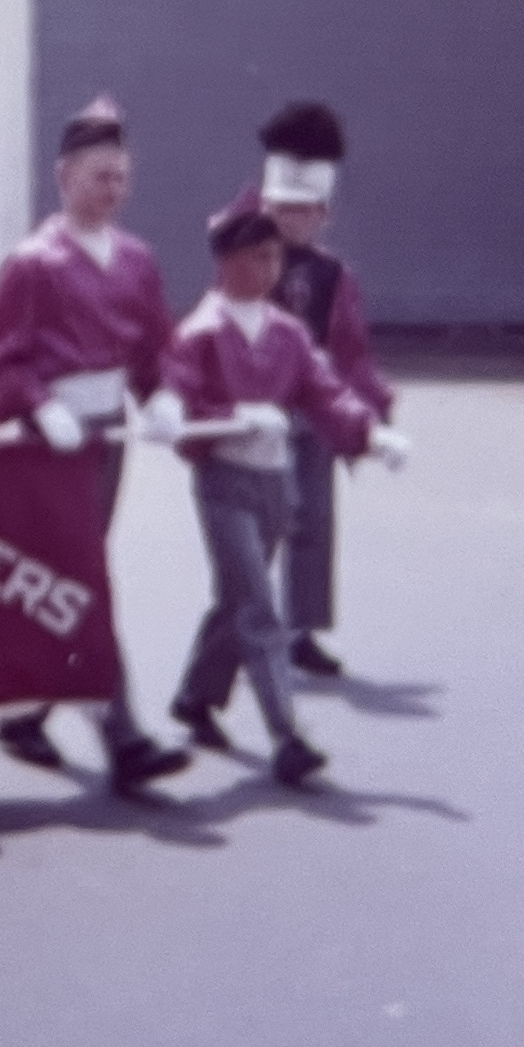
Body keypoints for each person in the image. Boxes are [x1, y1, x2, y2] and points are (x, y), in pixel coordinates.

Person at [0, 97, 193, 792]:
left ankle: (24, 714)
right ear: (64, 177)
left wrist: (163, 397)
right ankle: (125, 738)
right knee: (87, 576)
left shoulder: (137, 260)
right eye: (99, 176)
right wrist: (40, 405)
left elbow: (156, 347)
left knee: (69, 574)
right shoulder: (33, 263)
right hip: (52, 443)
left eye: (121, 177)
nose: (112, 190)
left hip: (110, 436)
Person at [160, 193, 409, 787]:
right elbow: (178, 398)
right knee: (260, 605)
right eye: (257, 257)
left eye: (274, 257)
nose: (270, 269)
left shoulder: (288, 333)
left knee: (237, 598)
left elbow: (325, 392)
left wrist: (369, 433)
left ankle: (196, 697)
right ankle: (288, 736)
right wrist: (219, 415)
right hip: (224, 480)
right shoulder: (200, 332)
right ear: (226, 262)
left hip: (276, 481)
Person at [255, 101, 395, 678]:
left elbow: (352, 350)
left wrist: (370, 412)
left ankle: (302, 629)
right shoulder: (248, 264)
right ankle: (246, 624)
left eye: (303, 210)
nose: (291, 219)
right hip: (259, 410)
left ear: (323, 215)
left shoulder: (335, 276)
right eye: (281, 208)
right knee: (259, 523)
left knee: (313, 520)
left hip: (313, 410)